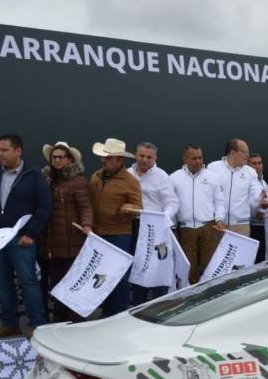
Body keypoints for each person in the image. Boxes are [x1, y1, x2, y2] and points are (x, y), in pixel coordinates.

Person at [0, 134, 51, 336]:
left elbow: (45, 207)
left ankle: (38, 325)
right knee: (1, 284)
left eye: (4, 150)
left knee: (29, 282)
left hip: (21, 240)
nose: (0, 154)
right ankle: (9, 324)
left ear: (18, 151)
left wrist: (31, 233)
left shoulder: (34, 176)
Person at [89, 137, 143, 315]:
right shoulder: (96, 177)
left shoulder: (130, 181)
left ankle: (118, 314)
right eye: (104, 157)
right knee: (101, 275)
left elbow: (139, 208)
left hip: (119, 235)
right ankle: (106, 312)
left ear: (120, 160)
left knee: (118, 277)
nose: (104, 160)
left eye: (109, 157)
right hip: (97, 235)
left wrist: (131, 208)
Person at [40, 141, 92, 322]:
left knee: (74, 282)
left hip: (72, 241)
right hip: (51, 243)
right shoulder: (46, 181)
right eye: (54, 157)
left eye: (61, 157)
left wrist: (86, 224)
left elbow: (85, 207)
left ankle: (76, 321)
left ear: (69, 159)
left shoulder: (78, 182)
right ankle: (60, 320)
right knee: (57, 284)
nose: (57, 160)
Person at [129, 142, 179, 304]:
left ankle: (158, 304)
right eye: (141, 156)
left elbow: (172, 203)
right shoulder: (127, 174)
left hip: (156, 229)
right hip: (134, 227)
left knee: (156, 267)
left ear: (155, 158)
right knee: (138, 267)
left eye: (149, 157)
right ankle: (137, 304)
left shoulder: (162, 176)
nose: (144, 160)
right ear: (135, 155)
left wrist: (163, 218)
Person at [171, 144, 226, 284]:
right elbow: (171, 203)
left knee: (210, 267)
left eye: (200, 158)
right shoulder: (174, 178)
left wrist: (219, 219)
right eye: (194, 158)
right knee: (189, 269)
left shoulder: (213, 177)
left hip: (209, 228)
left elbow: (219, 201)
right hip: (185, 230)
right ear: (185, 159)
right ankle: (193, 299)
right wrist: (171, 226)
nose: (198, 161)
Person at [207, 139, 268, 237]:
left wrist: (260, 200)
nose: (247, 155)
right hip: (217, 225)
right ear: (233, 153)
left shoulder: (251, 172)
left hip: (241, 227)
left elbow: (256, 193)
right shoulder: (212, 168)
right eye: (244, 152)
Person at [247, 153, 267, 262]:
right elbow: (244, 203)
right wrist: (255, 213)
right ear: (248, 165)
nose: (257, 166)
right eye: (254, 163)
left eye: (259, 163)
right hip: (253, 228)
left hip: (264, 228)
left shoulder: (263, 182)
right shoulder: (246, 182)